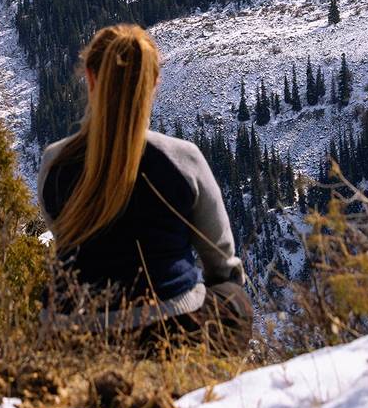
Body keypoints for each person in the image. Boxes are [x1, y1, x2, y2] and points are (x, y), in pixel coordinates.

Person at [38, 23, 252, 351]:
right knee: (232, 297)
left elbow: (65, 238)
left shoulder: (54, 162)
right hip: (170, 330)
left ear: (90, 78)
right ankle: (211, 382)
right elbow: (221, 262)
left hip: (71, 335)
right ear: (152, 84)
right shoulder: (181, 159)